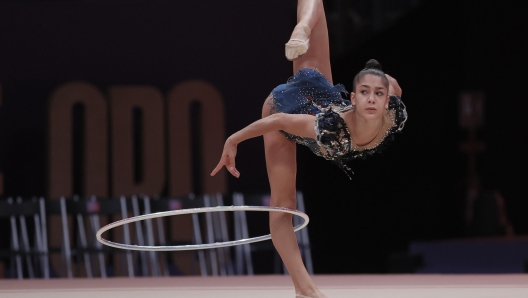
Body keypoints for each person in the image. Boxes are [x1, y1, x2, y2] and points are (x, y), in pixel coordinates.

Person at [211, 0, 407, 297]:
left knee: (317, 18)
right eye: (365, 93)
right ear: (353, 99)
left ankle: (304, 27)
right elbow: (278, 120)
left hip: (319, 91)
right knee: (283, 203)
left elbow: (391, 85)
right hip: (283, 109)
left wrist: (378, 82)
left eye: (377, 94)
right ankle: (305, 288)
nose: (371, 98)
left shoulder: (395, 113)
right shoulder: (331, 127)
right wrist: (233, 140)